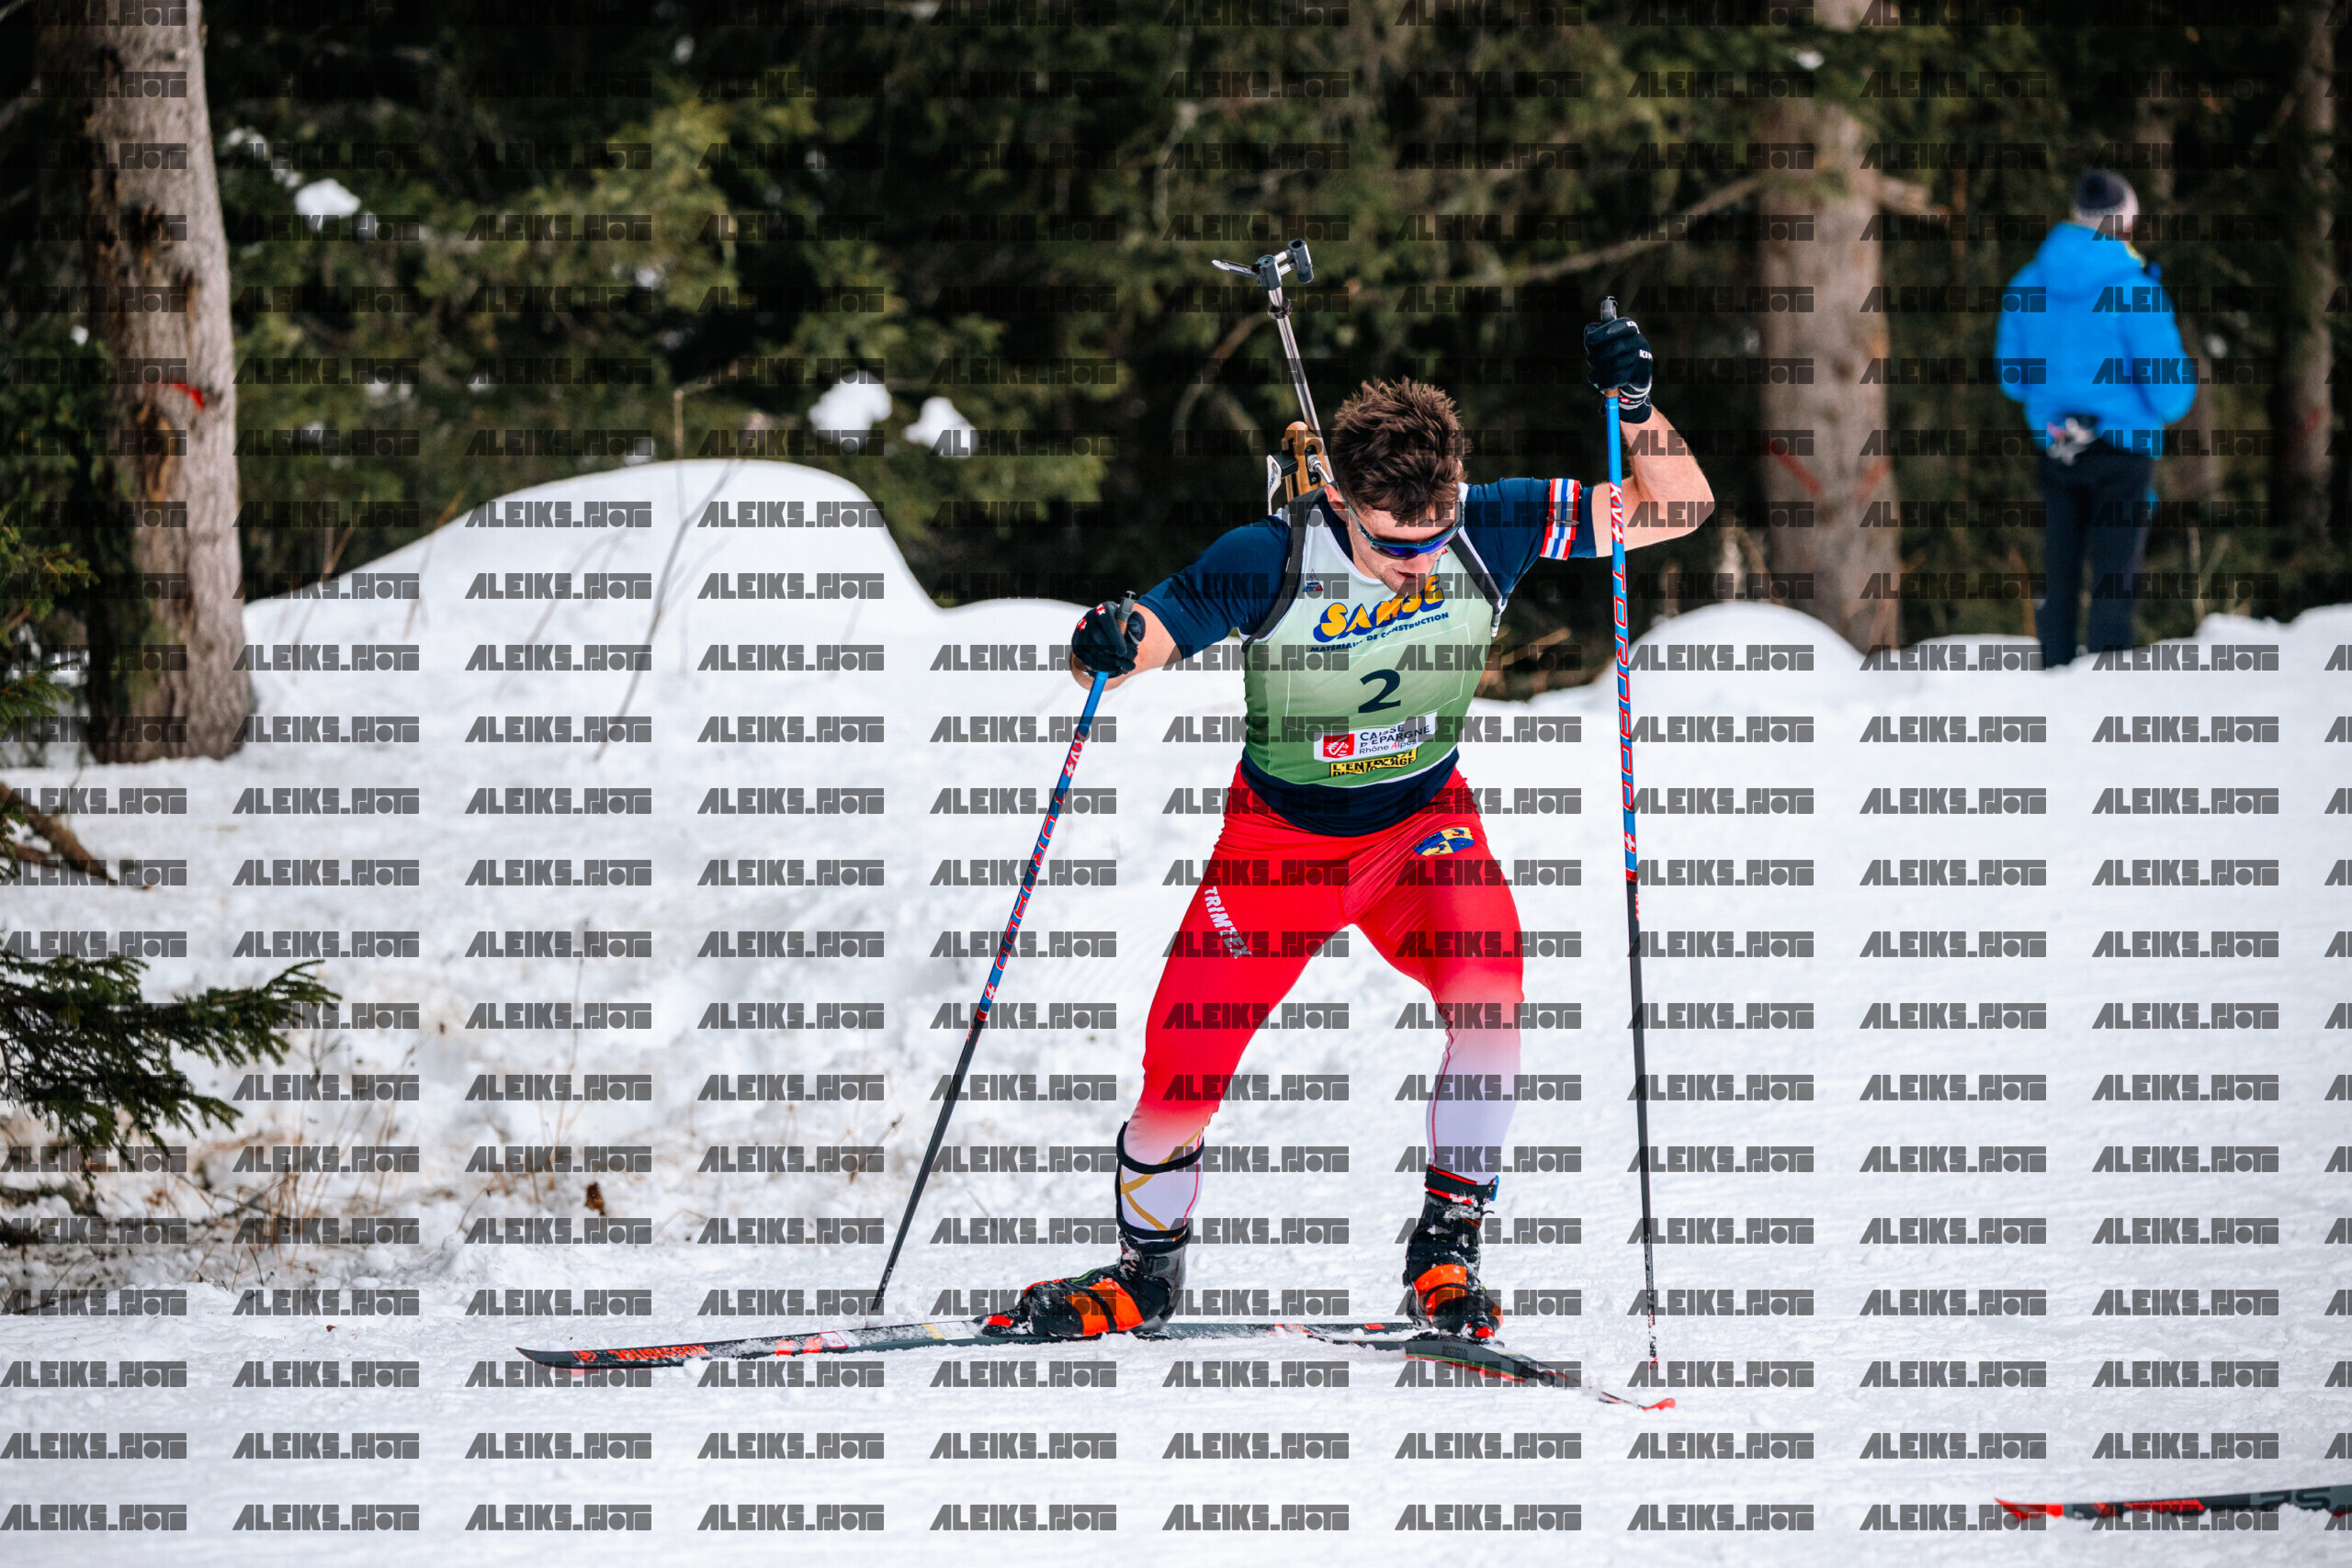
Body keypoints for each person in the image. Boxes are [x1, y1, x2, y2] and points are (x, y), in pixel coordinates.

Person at [987, 314, 1713, 1343]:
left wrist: (1634, 409)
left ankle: (1446, 1249)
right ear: (1337, 499)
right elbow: (1147, 633)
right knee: (1176, 1079)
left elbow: (1679, 506)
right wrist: (1101, 638)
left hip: (1422, 834)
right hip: (1277, 851)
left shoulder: (1492, 525)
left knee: (1493, 1003)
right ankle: (1146, 1272)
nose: (1418, 562)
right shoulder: (1270, 554)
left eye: (1433, 536)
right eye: (1391, 544)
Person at [1996, 169, 2197, 668]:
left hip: (2057, 442)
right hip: (2123, 448)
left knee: (2059, 567)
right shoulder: (2134, 290)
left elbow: (2013, 377)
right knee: (2114, 575)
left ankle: (2055, 671)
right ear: (2126, 223)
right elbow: (2170, 395)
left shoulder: (2027, 283)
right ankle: (2108, 679)